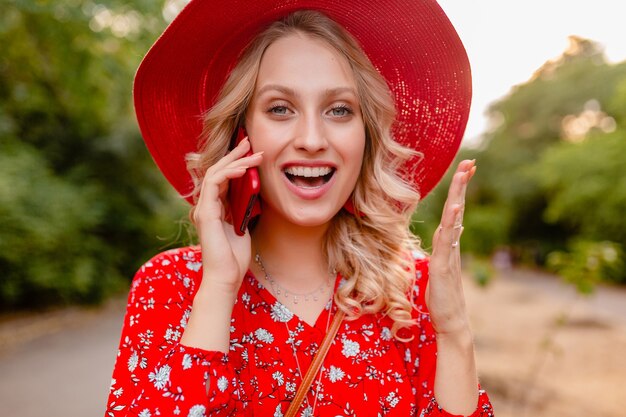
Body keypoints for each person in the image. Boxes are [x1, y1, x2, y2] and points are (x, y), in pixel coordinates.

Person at [106, 1, 494, 416]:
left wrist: (453, 332)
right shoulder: (168, 287)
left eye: (339, 110)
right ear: (242, 135)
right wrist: (218, 289)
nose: (311, 138)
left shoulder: (411, 290)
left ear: (366, 139)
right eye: (280, 109)